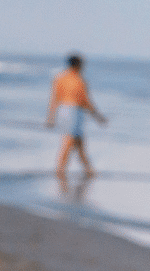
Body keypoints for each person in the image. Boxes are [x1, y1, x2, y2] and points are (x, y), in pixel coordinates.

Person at [46, 53, 107, 181]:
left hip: (63, 110)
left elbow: (54, 98)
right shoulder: (79, 80)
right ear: (78, 65)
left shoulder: (60, 78)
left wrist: (51, 117)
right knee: (69, 141)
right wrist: (97, 116)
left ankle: (89, 170)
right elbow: (85, 100)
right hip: (74, 111)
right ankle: (60, 169)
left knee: (79, 142)